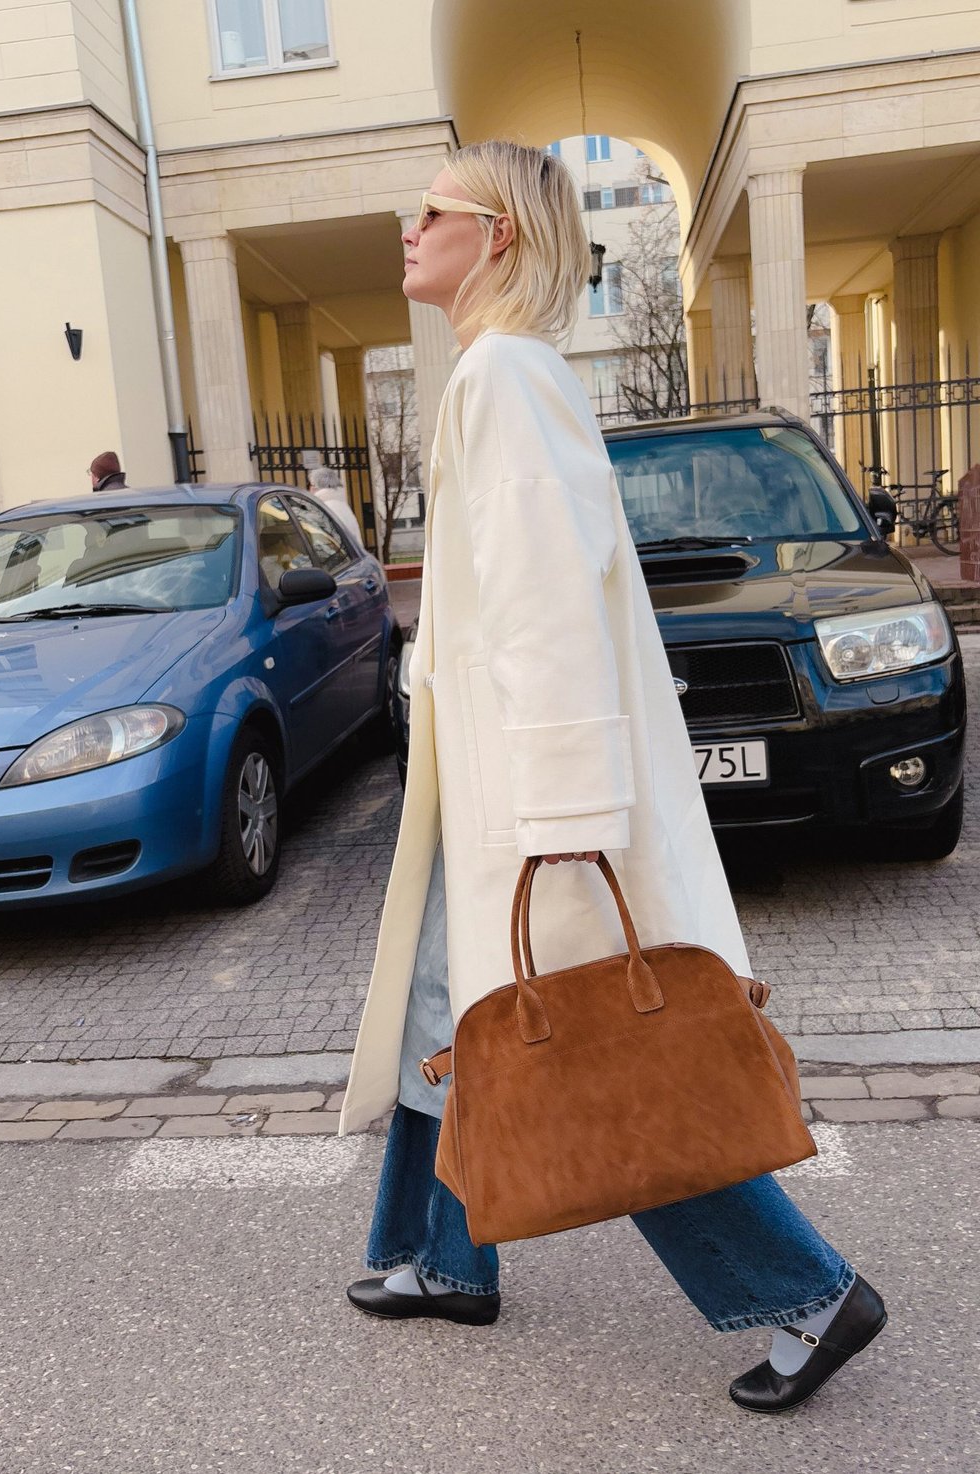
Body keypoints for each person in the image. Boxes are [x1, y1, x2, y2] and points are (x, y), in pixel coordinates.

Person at [338, 141, 886, 1415]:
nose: (407, 229)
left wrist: (565, 819)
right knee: (445, 1004)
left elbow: (548, 610)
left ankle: (807, 1291)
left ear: (498, 235)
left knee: (594, 1057)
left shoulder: (504, 379)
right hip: (489, 785)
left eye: (432, 210)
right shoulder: (497, 372)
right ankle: (441, 1256)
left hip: (532, 798)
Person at [307, 465, 364, 549]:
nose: (308, 489)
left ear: (315, 486)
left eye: (309, 485)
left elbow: (325, 541)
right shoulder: (341, 505)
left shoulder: (325, 508)